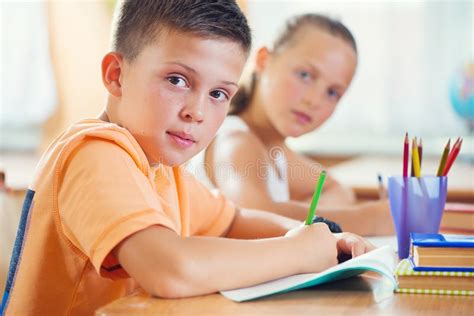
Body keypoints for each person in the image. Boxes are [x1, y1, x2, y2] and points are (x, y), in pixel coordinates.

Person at [1, 2, 375, 315]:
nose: (197, 112)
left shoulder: (163, 170)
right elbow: (169, 269)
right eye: (177, 80)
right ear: (116, 75)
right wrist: (297, 252)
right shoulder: (95, 152)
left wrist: (324, 237)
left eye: (217, 94)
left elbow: (233, 221)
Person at [188, 13, 393, 236]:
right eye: (305, 75)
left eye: (332, 92)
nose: (314, 100)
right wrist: (372, 217)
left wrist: (317, 217)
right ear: (264, 60)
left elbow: (337, 191)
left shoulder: (276, 152)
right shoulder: (235, 139)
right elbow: (253, 216)